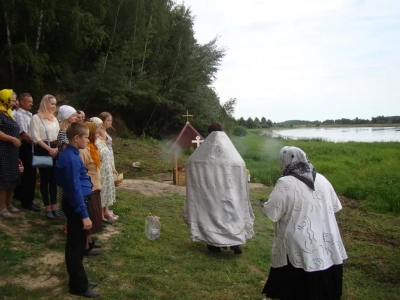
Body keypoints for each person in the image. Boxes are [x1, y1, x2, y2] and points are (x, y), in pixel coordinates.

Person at [262, 146, 348, 300]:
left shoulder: (285, 182)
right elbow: (335, 206)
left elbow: (272, 212)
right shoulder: (322, 179)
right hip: (326, 237)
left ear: (284, 161)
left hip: (300, 243)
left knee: (299, 286)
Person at [184, 122, 255, 254]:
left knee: (212, 214)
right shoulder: (235, 157)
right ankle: (235, 242)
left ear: (209, 132)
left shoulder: (202, 155)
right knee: (232, 215)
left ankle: (214, 244)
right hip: (230, 193)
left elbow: (190, 164)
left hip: (211, 193)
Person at [55, 122, 100, 298]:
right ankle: (78, 286)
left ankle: (79, 279)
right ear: (76, 138)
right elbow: (73, 189)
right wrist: (84, 215)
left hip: (79, 201)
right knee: (75, 246)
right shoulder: (71, 159)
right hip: (77, 204)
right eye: (85, 137)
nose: (87, 140)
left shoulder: (70, 155)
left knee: (79, 245)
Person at [30, 94, 60, 219]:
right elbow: (35, 137)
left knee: (54, 179)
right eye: (52, 104)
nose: (54, 106)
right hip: (43, 149)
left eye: (55, 104)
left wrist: (56, 149)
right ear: (45, 103)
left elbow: (58, 135)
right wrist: (48, 149)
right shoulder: (36, 118)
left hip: (55, 149)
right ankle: (47, 206)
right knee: (45, 179)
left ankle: (54, 205)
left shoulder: (54, 119)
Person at [13, 93, 41, 212]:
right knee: (28, 174)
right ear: (22, 102)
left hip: (32, 145)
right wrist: (39, 143)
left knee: (31, 174)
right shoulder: (19, 115)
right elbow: (24, 135)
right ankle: (27, 201)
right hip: (26, 146)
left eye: (31, 101)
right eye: (29, 101)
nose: (31, 104)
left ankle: (26, 197)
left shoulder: (29, 115)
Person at [81, 120, 104, 256]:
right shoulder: (84, 151)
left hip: (95, 186)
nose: (97, 134)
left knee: (93, 215)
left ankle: (89, 241)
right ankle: (84, 246)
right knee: (88, 216)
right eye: (95, 132)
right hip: (89, 187)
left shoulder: (91, 147)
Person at [0, 89, 22, 218]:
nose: (14, 103)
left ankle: (9, 203)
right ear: (5, 100)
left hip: (12, 151)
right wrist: (12, 139)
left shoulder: (8, 113)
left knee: (12, 177)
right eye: (13, 100)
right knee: (3, 179)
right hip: (3, 150)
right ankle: (2, 207)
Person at [56, 105, 78, 224]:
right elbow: (66, 151)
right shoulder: (63, 132)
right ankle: (65, 220)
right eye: (73, 115)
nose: (75, 117)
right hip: (66, 165)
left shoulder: (69, 131)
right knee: (65, 191)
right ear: (66, 117)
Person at [94, 116, 117, 223]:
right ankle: (101, 215)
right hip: (101, 168)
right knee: (102, 190)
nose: (100, 128)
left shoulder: (100, 137)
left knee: (107, 189)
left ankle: (104, 212)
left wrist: (112, 166)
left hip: (107, 163)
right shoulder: (95, 140)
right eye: (98, 126)